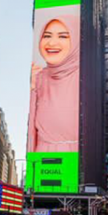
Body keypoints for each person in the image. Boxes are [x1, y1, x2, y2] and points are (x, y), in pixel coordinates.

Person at [28, 15, 80, 153]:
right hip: (43, 161)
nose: (52, 43)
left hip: (78, 159)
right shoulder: (38, 77)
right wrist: (33, 87)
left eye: (63, 36)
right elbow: (32, 131)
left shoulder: (85, 76)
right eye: (47, 36)